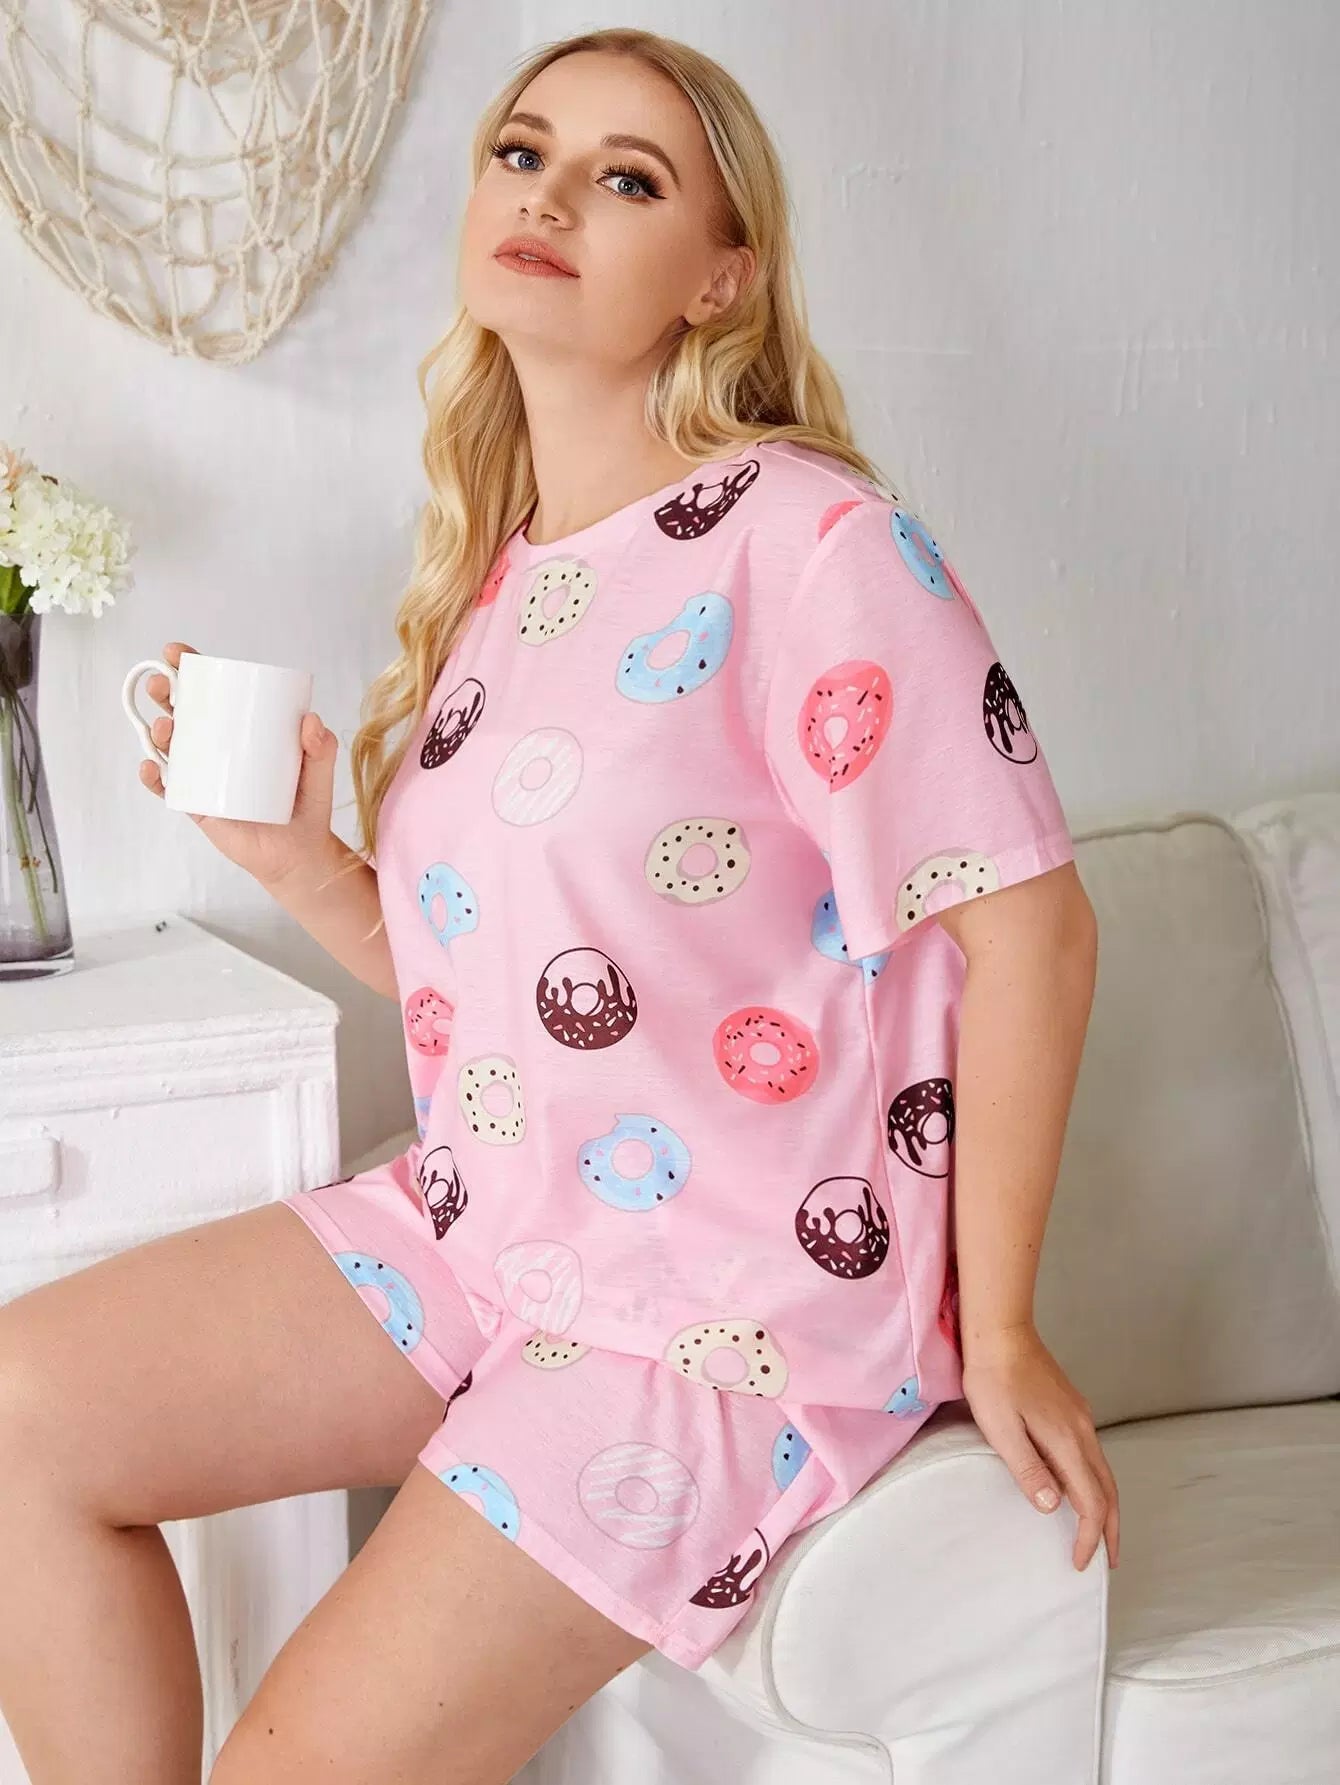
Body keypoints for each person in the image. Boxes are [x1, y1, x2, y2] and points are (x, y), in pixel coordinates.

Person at [0, 25, 1117, 1785]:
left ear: (720, 276)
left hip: (719, 1309)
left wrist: (1008, 1326)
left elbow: (1033, 927)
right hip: (491, 1227)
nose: (550, 196)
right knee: (22, 1417)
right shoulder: (505, 572)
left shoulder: (811, 542)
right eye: (522, 154)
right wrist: (303, 861)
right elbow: (502, 1001)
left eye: (627, 178)